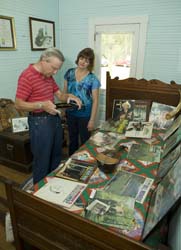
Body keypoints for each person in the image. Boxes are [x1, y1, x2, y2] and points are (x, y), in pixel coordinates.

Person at [15, 47, 82, 184]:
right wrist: (41, 105)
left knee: (56, 154)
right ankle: (39, 191)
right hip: (39, 122)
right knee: (42, 159)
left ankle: (52, 184)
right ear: (43, 61)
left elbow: (59, 95)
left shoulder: (48, 75)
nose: (55, 72)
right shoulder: (27, 75)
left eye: (57, 69)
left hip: (53, 118)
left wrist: (70, 96)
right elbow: (18, 104)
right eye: (54, 68)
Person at [63, 47, 101, 156]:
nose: (83, 62)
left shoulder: (93, 79)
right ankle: (71, 161)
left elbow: (95, 100)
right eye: (82, 58)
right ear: (78, 58)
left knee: (85, 141)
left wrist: (92, 120)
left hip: (85, 115)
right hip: (70, 112)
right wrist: (63, 110)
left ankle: (84, 162)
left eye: (87, 60)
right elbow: (64, 93)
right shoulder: (69, 73)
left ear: (90, 63)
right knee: (72, 139)